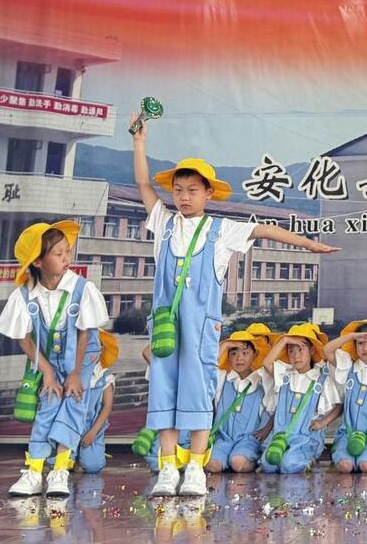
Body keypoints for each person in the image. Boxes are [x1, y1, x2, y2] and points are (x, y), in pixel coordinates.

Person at [131, 115, 338, 496]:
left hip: (201, 327)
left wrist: (308, 244)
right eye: (178, 190)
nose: (184, 197)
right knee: (164, 392)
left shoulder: (221, 229)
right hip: (165, 326)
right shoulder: (163, 221)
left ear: (208, 194)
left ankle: (195, 467)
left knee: (197, 393)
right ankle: (168, 468)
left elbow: (264, 229)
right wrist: (139, 141)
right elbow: (144, 184)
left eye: (193, 190)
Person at [0, 221, 108, 497]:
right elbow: (23, 337)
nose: (66, 258)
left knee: (73, 402)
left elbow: (85, 333)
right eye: (59, 253)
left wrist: (75, 373)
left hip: (81, 359)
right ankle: (35, 472)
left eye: (67, 251)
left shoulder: (82, 289)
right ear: (37, 261)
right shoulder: (24, 295)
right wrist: (46, 370)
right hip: (50, 360)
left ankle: (60, 470)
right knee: (48, 404)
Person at [259, 323, 341, 473]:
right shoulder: (285, 376)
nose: (296, 356)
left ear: (311, 350)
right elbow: (266, 363)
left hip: (307, 438)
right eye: (291, 351)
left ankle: (309, 460)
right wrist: (284, 340)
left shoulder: (321, 379)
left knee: (288, 465)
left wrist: (323, 422)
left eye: (301, 349)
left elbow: (339, 405)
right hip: (281, 437)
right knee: (269, 465)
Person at [323, 319, 367, 473]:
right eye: (360, 343)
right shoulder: (348, 368)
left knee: (366, 466)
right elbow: (327, 350)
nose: (365, 348)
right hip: (348, 433)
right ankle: (340, 452)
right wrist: (352, 336)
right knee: (346, 466)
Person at [206, 330, 272, 473]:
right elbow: (207, 370)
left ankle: (253, 461)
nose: (239, 358)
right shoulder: (223, 378)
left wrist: (266, 430)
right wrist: (225, 345)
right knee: (213, 466)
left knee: (238, 463)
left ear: (255, 355)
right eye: (233, 353)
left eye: (245, 353)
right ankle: (226, 458)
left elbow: (276, 407)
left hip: (248, 440)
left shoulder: (262, 381)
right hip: (222, 439)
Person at [75, 330, 118, 473]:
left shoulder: (104, 376)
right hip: (72, 422)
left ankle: (88, 456)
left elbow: (107, 406)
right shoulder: (74, 372)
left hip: (92, 425)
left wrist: (93, 432)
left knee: (93, 466)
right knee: (60, 461)